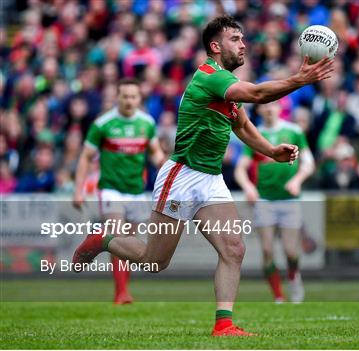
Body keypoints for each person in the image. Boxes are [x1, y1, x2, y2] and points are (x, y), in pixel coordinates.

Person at [72, 15, 333, 336]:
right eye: (235, 39)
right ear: (215, 46)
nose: (243, 44)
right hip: (182, 175)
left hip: (210, 179)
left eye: (243, 38)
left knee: (234, 249)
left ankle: (223, 324)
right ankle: (104, 240)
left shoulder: (224, 86)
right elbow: (257, 94)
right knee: (154, 261)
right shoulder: (209, 76)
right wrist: (299, 80)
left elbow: (243, 125)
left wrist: (270, 151)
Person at [72, 78, 165, 304]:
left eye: (133, 96)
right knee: (117, 236)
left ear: (139, 98)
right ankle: (121, 292)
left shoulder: (146, 123)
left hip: (136, 190)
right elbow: (85, 158)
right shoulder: (103, 124)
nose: (129, 100)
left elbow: (156, 155)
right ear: (117, 97)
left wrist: (168, 174)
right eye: (125, 96)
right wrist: (79, 190)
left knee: (127, 244)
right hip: (111, 190)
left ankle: (123, 290)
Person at [234, 101, 315, 303]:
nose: (269, 108)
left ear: (280, 108)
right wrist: (248, 187)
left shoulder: (294, 131)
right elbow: (240, 168)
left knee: (290, 251)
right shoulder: (254, 134)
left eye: (273, 104)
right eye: (264, 105)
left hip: (289, 200)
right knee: (268, 250)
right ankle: (278, 296)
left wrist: (297, 180)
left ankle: (294, 280)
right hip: (264, 200)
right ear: (259, 109)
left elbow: (309, 162)